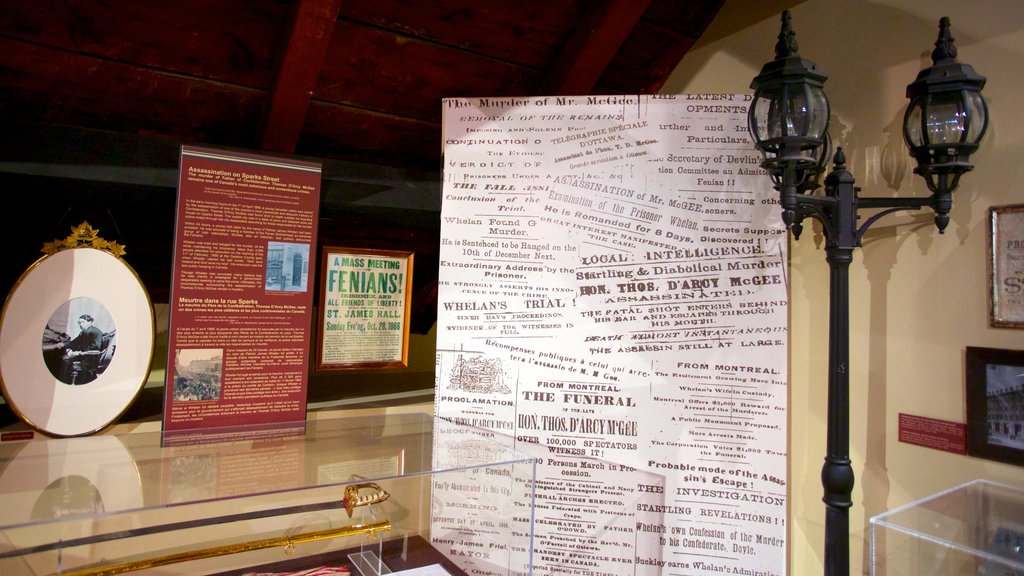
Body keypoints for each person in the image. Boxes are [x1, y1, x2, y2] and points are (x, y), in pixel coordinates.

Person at [57, 314, 105, 384]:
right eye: (79, 323)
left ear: (90, 322)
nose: (80, 324)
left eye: (83, 322)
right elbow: (74, 343)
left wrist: (79, 352)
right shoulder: (84, 332)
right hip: (84, 356)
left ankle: (65, 382)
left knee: (65, 360)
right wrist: (63, 344)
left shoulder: (95, 332)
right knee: (62, 358)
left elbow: (95, 347)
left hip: (90, 359)